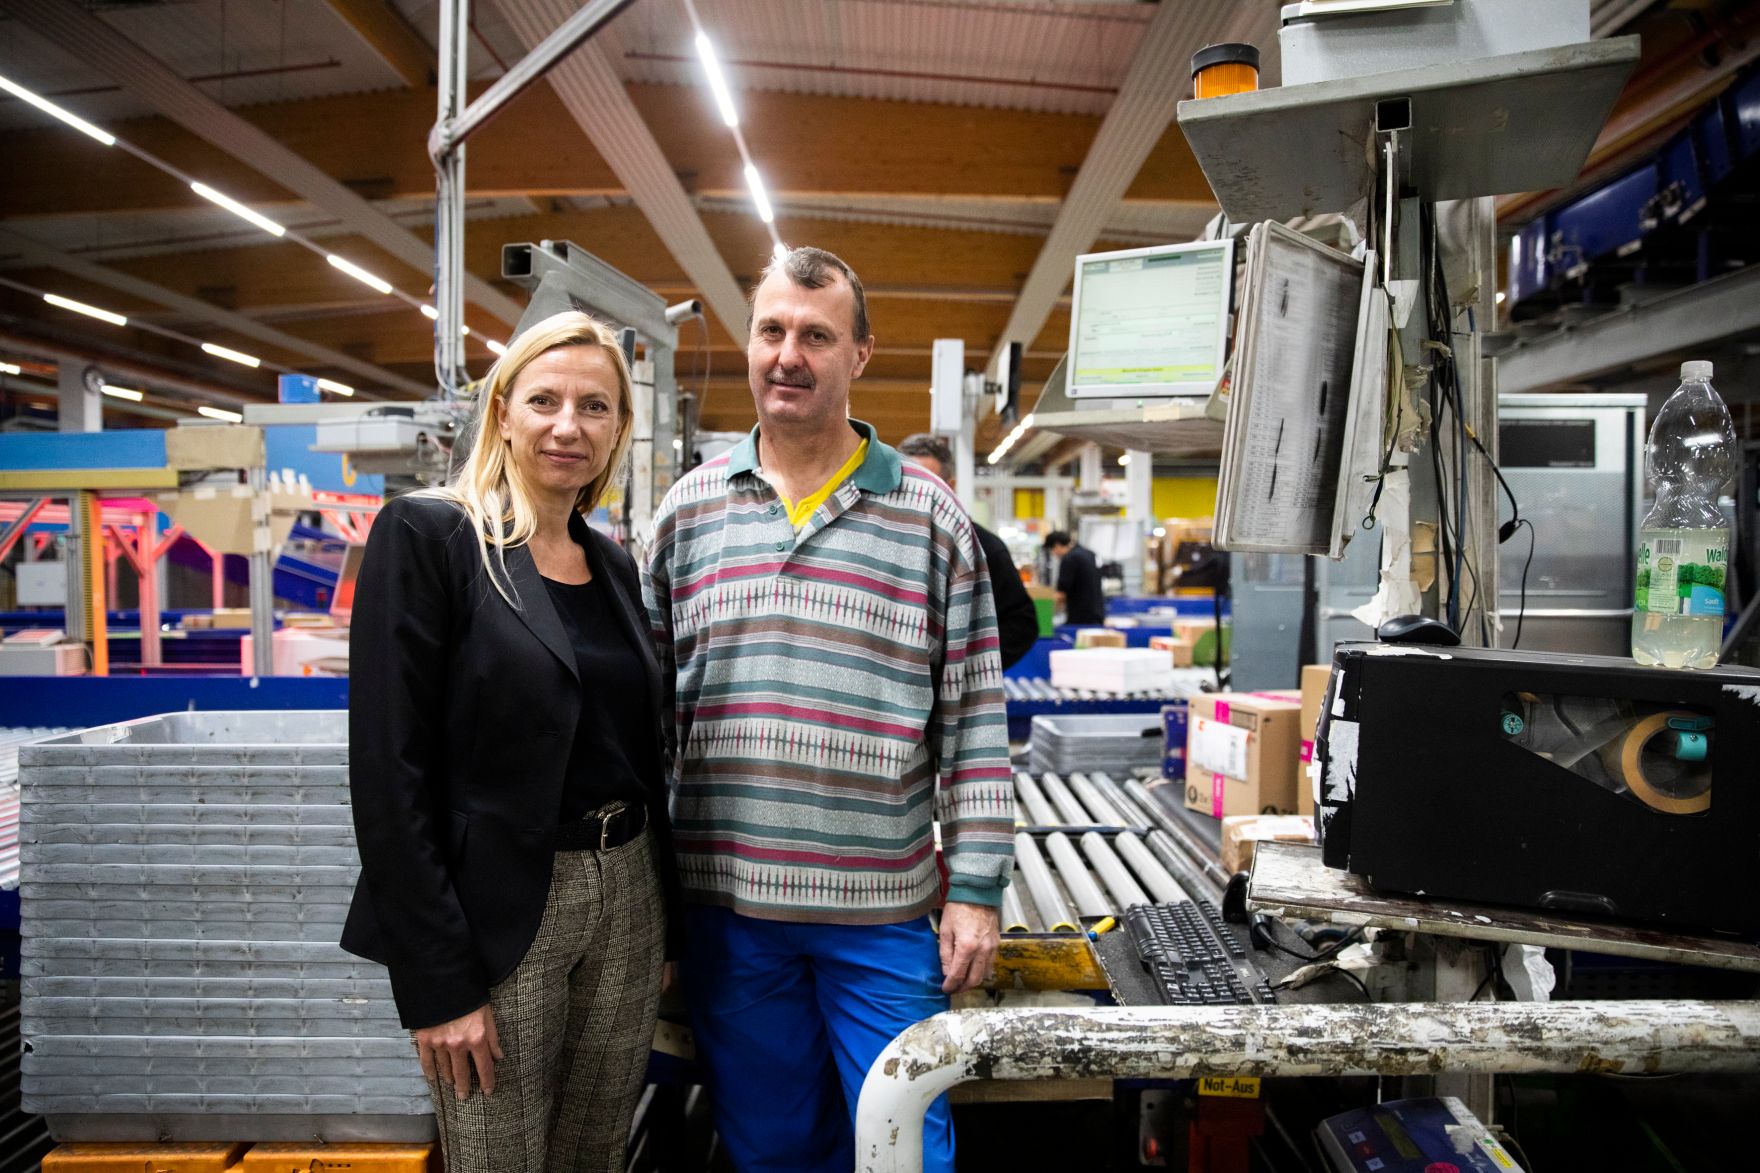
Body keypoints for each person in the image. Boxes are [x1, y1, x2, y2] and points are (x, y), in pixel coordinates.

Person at [642, 248, 1013, 1173]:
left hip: (881, 913)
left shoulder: (931, 520)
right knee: (773, 1150)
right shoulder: (687, 514)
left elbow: (972, 720)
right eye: (772, 331)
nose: (787, 355)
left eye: (816, 335)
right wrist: (649, 906)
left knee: (909, 1152)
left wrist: (974, 888)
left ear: (860, 354)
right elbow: (646, 727)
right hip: (728, 910)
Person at [342, 310, 680, 1173]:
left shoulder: (612, 564)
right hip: (501, 907)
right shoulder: (431, 537)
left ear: (617, 432)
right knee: (496, 1156)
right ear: (501, 412)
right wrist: (437, 982)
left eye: (595, 407)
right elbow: (389, 773)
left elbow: (634, 746)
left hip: (628, 890)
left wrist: (667, 924)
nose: (569, 425)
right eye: (545, 400)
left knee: (597, 1150)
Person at [896, 432, 1040, 670]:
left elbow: (1020, 624)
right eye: (909, 484)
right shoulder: (885, 540)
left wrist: (964, 670)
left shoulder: (983, 547)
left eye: (928, 486)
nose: (917, 496)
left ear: (950, 486)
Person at [1045, 529, 1106, 625]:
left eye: (1052, 550)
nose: (1053, 554)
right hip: (1098, 613)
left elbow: (1061, 594)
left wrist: (1046, 616)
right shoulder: (1090, 554)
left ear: (1057, 545)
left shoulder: (1069, 559)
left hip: (1080, 617)